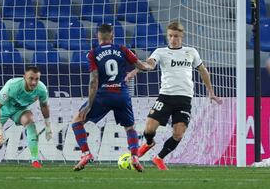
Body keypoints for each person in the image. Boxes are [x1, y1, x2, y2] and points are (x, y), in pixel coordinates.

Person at [125, 21, 223, 170]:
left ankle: (159, 158)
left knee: (178, 134)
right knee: (149, 130)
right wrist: (136, 70)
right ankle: (149, 143)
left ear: (181, 36)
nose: (173, 39)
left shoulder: (191, 52)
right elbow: (150, 63)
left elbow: (203, 70)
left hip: (184, 98)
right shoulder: (160, 52)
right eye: (170, 36)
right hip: (165, 96)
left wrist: (211, 92)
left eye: (176, 36)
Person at [71, 24, 152, 172]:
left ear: (97, 36)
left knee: (77, 120)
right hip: (121, 94)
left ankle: (86, 154)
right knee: (129, 127)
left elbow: (93, 81)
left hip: (102, 95)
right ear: (112, 36)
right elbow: (141, 66)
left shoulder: (92, 54)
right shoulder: (122, 49)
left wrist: (89, 104)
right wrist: (150, 66)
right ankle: (134, 156)